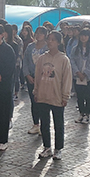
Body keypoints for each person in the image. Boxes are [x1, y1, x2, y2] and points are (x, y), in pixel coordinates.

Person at [33, 31, 72, 160]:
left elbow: (67, 79)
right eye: (48, 39)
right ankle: (47, 147)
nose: (50, 42)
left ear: (59, 42)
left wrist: (65, 96)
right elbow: (37, 76)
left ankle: (58, 149)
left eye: (53, 40)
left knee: (58, 124)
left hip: (57, 96)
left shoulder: (64, 59)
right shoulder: (42, 58)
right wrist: (36, 91)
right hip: (43, 95)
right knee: (44, 123)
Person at [23, 26, 49, 134]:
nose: (38, 35)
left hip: (44, 78)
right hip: (31, 77)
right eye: (37, 33)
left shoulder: (47, 47)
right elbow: (25, 61)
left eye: (41, 33)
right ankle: (36, 124)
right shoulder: (30, 46)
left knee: (43, 102)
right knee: (34, 101)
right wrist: (27, 75)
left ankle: (44, 125)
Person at [71, 28, 90, 124]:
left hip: (89, 77)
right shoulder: (75, 49)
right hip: (77, 76)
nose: (83, 37)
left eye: (86, 36)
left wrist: (85, 73)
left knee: (88, 96)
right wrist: (78, 72)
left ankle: (87, 114)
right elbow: (72, 61)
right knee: (80, 96)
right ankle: (81, 114)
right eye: (82, 35)